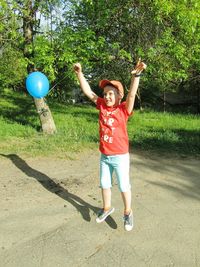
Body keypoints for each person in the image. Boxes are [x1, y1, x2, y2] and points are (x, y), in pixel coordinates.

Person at [73, 59, 147, 231]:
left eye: (111, 93)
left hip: (120, 157)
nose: (107, 96)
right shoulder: (102, 106)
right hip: (105, 156)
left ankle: (128, 212)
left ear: (118, 96)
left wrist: (136, 76)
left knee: (123, 186)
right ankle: (107, 208)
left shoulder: (123, 109)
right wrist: (79, 73)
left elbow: (130, 95)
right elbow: (89, 92)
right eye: (105, 93)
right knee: (104, 184)